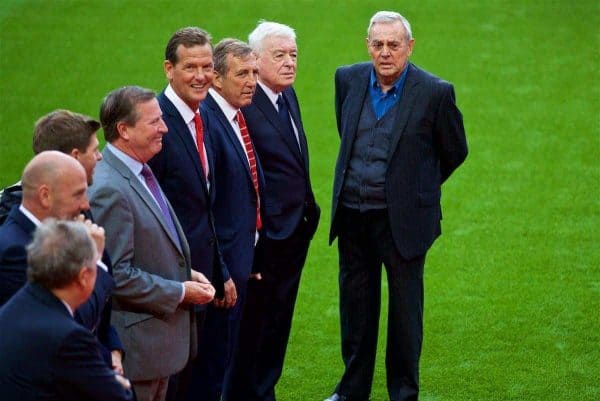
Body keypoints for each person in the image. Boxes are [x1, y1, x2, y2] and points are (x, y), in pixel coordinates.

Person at [326, 11, 468, 401]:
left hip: (403, 223)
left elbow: (455, 149)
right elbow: (347, 130)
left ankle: (403, 394)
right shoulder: (348, 79)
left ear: (410, 46)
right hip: (353, 217)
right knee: (356, 310)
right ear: (367, 45)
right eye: (378, 44)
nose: (385, 53)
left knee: (406, 316)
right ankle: (352, 391)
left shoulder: (435, 91)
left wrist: (415, 188)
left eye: (393, 44)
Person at [89, 85, 216, 401]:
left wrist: (186, 275)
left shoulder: (139, 168)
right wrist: (181, 291)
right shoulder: (110, 189)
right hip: (139, 354)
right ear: (124, 130)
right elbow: (116, 276)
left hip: (158, 348)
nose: (165, 128)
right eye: (154, 121)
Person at [224, 21, 321, 401]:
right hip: (264, 243)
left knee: (276, 328)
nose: (289, 63)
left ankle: (264, 392)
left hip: (293, 235)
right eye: (279, 55)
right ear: (256, 60)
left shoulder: (285, 94)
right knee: (254, 332)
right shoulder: (245, 104)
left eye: (293, 55)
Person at [148, 26, 235, 401]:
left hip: (204, 278)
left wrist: (221, 270)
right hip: (171, 284)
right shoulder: (153, 125)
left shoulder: (206, 116)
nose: (201, 76)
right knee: (175, 384)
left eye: (206, 67)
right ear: (169, 69)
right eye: (190, 68)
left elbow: (207, 204)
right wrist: (175, 281)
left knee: (204, 379)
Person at [0, 109, 124, 373]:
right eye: (95, 150)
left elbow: (101, 307)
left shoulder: (76, 207)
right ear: (75, 158)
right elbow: (64, 320)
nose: (101, 157)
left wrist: (112, 348)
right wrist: (96, 265)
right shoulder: (15, 251)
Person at [0, 219, 133, 401]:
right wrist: (120, 385)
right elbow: (119, 396)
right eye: (97, 266)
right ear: (84, 277)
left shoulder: (13, 307)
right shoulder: (70, 338)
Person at [197, 38, 263, 401]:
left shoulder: (235, 114)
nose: (252, 80)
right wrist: (222, 268)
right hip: (219, 271)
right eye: (242, 73)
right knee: (212, 367)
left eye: (254, 71)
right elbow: (206, 205)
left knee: (227, 361)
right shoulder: (208, 119)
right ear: (217, 79)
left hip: (240, 261)